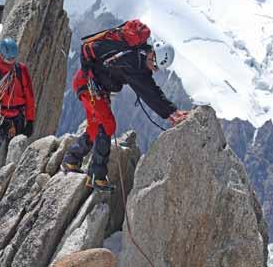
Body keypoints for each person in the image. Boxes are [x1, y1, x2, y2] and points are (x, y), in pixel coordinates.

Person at [61, 19, 188, 192]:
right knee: (107, 124)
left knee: (94, 126)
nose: (154, 70)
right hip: (88, 85)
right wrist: (89, 74)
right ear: (153, 54)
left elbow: (151, 90)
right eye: (155, 65)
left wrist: (172, 111)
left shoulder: (138, 60)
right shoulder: (132, 60)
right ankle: (97, 176)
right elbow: (149, 92)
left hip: (94, 87)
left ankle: (71, 159)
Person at [0, 37, 36, 195]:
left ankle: (11, 191)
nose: (11, 61)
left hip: (16, 118)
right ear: (1, 55)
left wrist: (30, 120)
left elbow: (29, 96)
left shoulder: (20, 70)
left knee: (14, 155)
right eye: (8, 58)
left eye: (13, 59)